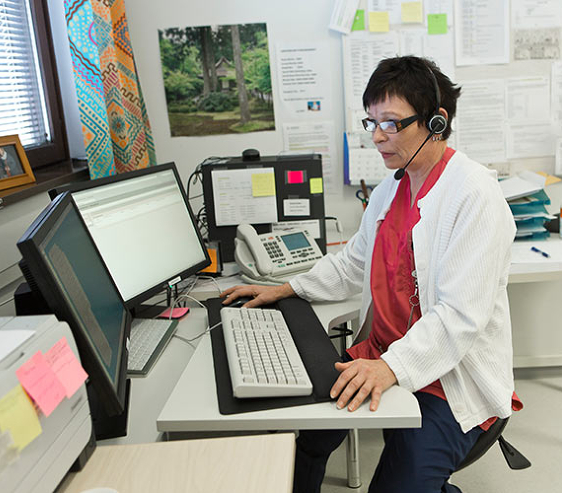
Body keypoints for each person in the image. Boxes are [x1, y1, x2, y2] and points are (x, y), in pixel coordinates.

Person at [221, 56, 519, 493]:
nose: (377, 137)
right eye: (372, 122)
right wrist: (286, 288)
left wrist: (389, 367)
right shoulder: (391, 189)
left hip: (449, 379)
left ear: (436, 122)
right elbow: (353, 264)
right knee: (310, 436)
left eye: (391, 123)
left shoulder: (475, 196)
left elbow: (459, 318)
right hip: (382, 353)